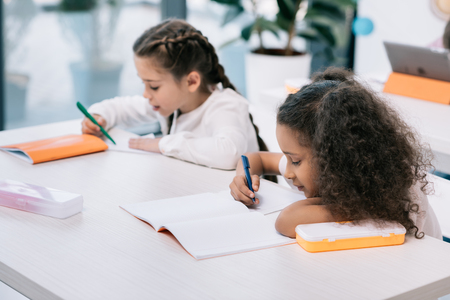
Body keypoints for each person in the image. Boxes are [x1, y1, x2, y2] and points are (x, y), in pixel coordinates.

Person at [229, 67, 442, 239]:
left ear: (335, 158)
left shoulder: (378, 200)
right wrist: (242, 178)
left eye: (294, 160)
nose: (288, 172)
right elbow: (254, 158)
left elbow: (287, 220)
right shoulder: (328, 171)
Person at [81, 19, 263, 170]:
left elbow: (228, 154)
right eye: (143, 83)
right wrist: (99, 116)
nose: (146, 94)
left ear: (191, 81)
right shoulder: (171, 104)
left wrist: (164, 144)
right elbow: (121, 108)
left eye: (153, 86)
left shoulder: (225, 106)